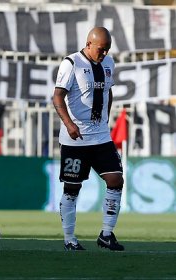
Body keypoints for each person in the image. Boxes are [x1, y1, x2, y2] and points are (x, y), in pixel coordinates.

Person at [52, 27, 125, 251]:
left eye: (107, 50)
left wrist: (106, 118)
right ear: (88, 44)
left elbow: (108, 92)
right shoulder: (71, 63)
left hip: (101, 136)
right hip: (76, 139)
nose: (104, 54)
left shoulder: (109, 63)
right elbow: (57, 97)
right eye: (101, 50)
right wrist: (69, 124)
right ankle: (69, 238)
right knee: (72, 188)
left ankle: (106, 234)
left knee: (116, 180)